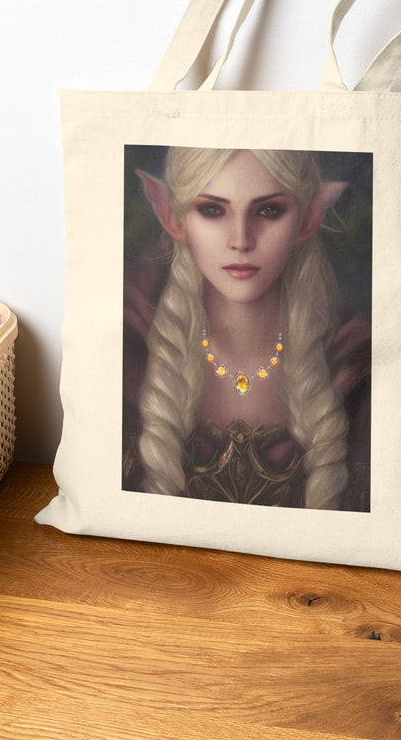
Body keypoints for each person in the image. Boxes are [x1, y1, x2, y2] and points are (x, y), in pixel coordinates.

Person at [123, 147, 371, 511]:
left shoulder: (358, 365)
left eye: (269, 210)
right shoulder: (129, 351)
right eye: (212, 209)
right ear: (170, 216)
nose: (241, 240)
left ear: (309, 216)